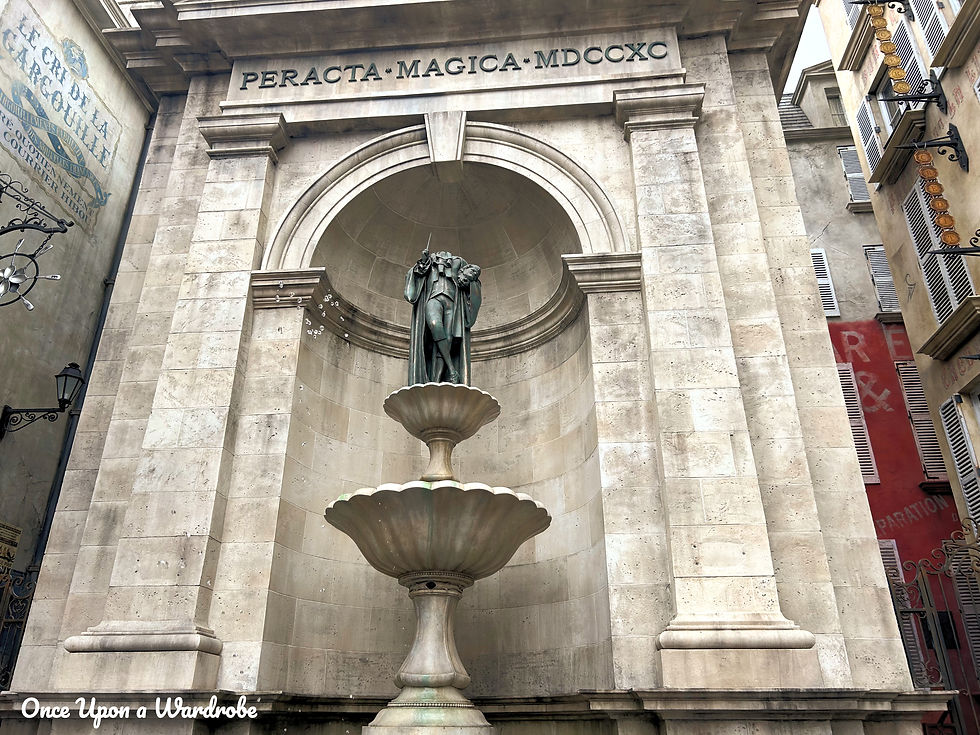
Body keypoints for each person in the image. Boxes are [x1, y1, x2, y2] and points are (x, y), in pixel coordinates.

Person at [404, 247, 482, 385]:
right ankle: (452, 370)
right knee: (434, 324)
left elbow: (475, 292)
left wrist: (469, 284)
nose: (472, 275)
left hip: (453, 305)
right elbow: (416, 274)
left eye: (474, 276)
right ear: (467, 267)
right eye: (472, 272)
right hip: (433, 298)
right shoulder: (442, 261)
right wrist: (423, 262)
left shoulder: (463, 271)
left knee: (449, 339)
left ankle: (436, 380)